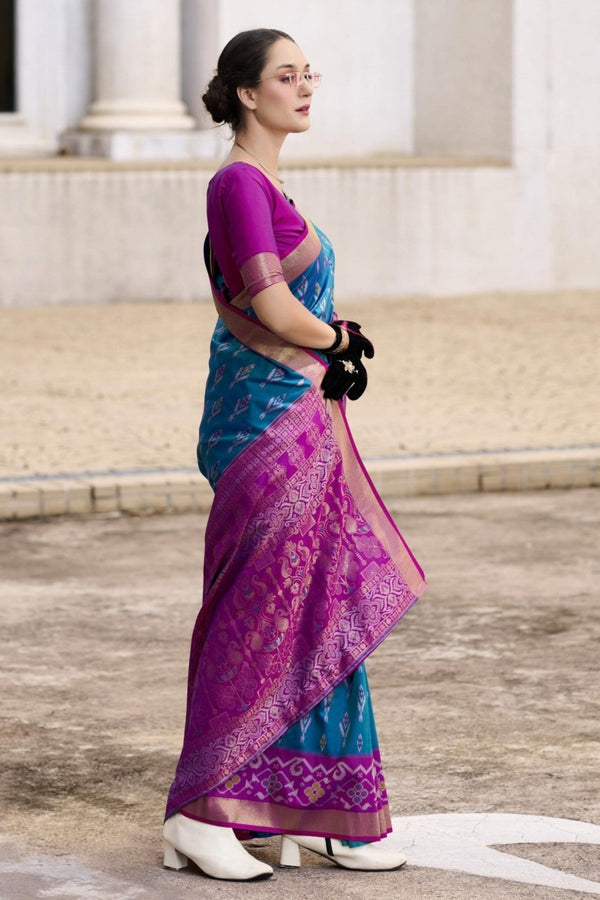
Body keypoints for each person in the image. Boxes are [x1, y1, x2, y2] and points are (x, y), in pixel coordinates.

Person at [163, 28, 427, 882]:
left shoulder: (268, 181)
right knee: (258, 613)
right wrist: (336, 337)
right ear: (247, 93)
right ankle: (201, 814)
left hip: (294, 415)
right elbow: (271, 304)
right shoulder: (238, 182)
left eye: (308, 74)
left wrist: (331, 348)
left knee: (321, 605)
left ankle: (328, 810)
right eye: (287, 76)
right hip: (261, 427)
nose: (305, 87)